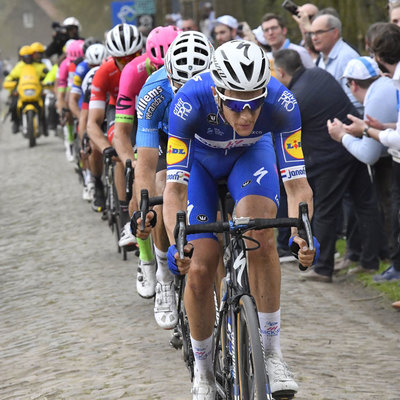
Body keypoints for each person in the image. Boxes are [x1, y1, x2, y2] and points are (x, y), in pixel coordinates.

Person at [163, 40, 317, 399]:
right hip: (200, 165)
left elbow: (297, 185)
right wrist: (176, 241)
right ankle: (203, 373)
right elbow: (174, 192)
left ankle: (273, 356)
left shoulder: (281, 101)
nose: (246, 115)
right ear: (217, 92)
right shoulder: (188, 101)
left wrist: (303, 233)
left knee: (261, 235)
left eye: (254, 103)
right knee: (200, 266)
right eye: (236, 104)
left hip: (251, 157)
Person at [129, 31, 214, 332]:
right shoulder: (153, 92)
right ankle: (164, 273)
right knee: (162, 188)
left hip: (205, 138)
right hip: (167, 139)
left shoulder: (222, 85)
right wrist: (143, 206)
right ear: (168, 75)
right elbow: (146, 163)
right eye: (180, 86)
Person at [274, 48, 381, 282]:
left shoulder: (296, 98)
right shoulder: (319, 74)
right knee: (364, 204)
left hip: (330, 158)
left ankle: (322, 267)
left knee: (325, 210)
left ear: (281, 72)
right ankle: (367, 259)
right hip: (352, 143)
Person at [329, 23, 400, 282]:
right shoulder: (385, 85)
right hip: (390, 154)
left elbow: (369, 155)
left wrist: (345, 135)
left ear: (352, 84)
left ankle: (395, 265)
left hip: (392, 156)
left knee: (391, 206)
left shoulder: (374, 97)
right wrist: (370, 129)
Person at [113, 25, 181, 251]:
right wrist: (130, 162)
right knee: (145, 178)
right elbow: (121, 131)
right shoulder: (133, 71)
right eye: (159, 67)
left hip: (181, 127)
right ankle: (147, 259)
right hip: (145, 121)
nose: (166, 73)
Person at [87, 23, 144, 214]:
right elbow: (92, 123)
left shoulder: (150, 66)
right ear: (112, 57)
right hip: (117, 109)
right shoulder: (104, 72)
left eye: (134, 57)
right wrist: (106, 149)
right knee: (121, 155)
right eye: (122, 59)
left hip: (143, 109)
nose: (129, 64)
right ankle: (124, 214)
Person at [310, 13, 362, 113]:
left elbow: (356, 101)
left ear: (335, 33)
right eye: (312, 33)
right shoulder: (321, 57)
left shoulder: (347, 57)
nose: (314, 38)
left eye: (319, 32)